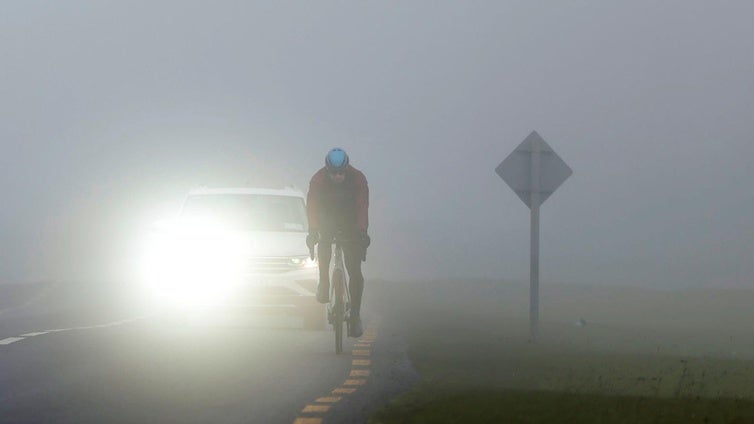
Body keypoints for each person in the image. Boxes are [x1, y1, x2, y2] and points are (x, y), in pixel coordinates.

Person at [306, 147, 370, 338]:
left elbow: (362, 205)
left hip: (351, 222)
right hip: (327, 221)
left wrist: (362, 231)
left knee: (355, 270)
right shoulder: (318, 179)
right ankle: (324, 283)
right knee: (323, 244)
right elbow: (312, 206)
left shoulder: (358, 178)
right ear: (327, 170)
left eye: (341, 173)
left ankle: (356, 316)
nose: (338, 177)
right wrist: (312, 231)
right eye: (334, 173)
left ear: (347, 169)